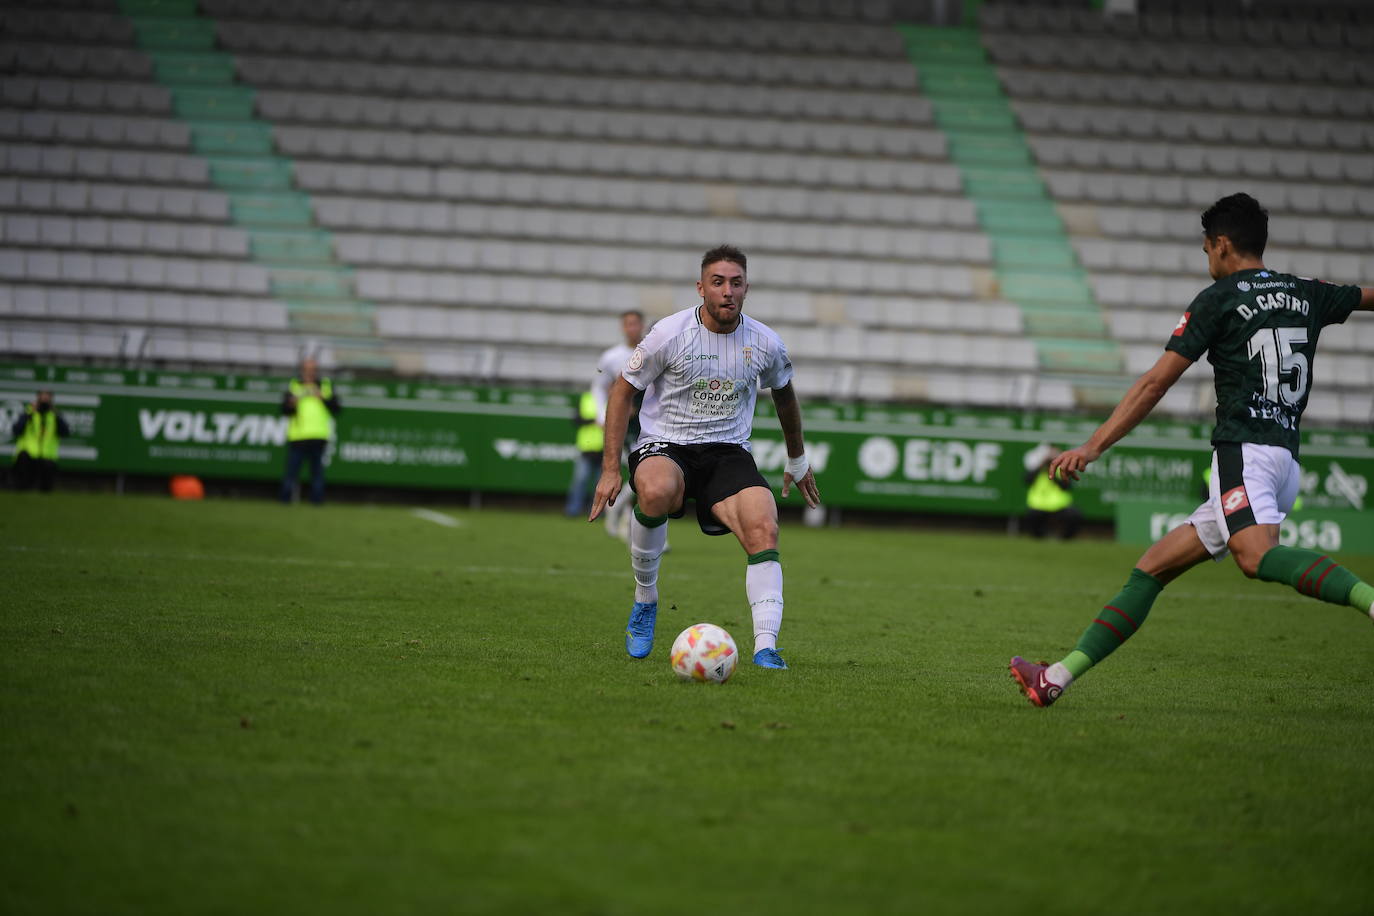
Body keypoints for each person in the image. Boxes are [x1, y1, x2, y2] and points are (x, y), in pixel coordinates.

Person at [1010, 193, 1374, 707]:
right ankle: (1055, 678)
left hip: (1244, 454)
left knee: (1255, 558)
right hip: (1285, 461)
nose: (1207, 260)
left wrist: (1093, 446)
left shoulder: (1218, 299)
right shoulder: (1306, 291)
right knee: (1152, 568)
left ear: (1222, 244)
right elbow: (1365, 297)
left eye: (1206, 250)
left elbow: (1154, 384)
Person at [588, 245, 822, 669]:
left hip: (727, 451)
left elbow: (784, 393)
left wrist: (797, 459)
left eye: (736, 283)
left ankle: (766, 646)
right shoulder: (668, 333)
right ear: (701, 288)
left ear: (746, 288)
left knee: (764, 524)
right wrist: (609, 469)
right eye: (718, 282)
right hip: (666, 443)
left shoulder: (765, 342)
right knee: (655, 490)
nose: (727, 291)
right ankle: (645, 599)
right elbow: (622, 390)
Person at [594, 310, 647, 540]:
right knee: (641, 473)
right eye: (628, 324)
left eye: (636, 323)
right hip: (626, 426)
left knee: (645, 474)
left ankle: (622, 515)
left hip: (650, 423)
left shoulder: (651, 350)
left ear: (642, 325)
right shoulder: (611, 357)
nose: (632, 328)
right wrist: (603, 416)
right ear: (623, 327)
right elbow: (599, 387)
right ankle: (624, 517)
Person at [278, 358, 340, 506]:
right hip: (298, 436)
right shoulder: (294, 385)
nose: (310, 372)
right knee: (291, 472)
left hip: (318, 436)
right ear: (302, 370)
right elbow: (284, 409)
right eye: (307, 369)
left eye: (313, 369)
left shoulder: (324, 385)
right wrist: (291, 403)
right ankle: (284, 500)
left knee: (317, 472)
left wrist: (322, 398)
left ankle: (317, 502)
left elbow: (337, 408)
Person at [10, 389, 69, 491]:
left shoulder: (54, 415)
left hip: (47, 456)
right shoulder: (28, 413)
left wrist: (57, 416)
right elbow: (16, 430)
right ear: (37, 399)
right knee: (23, 465)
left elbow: (65, 432)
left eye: (47, 398)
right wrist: (29, 414)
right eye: (42, 398)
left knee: (46, 482)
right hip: (28, 454)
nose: (44, 401)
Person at [1022, 444, 1081, 539]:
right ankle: (1038, 536)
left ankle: (1066, 538)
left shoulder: (1061, 469)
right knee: (1032, 516)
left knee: (1073, 515)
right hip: (1039, 505)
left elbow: (1066, 486)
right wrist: (1042, 464)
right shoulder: (1038, 469)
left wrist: (1052, 472)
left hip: (1060, 505)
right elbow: (1027, 480)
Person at [564, 389, 604, 517]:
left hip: (605, 449)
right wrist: (593, 421)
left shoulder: (611, 398)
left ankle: (596, 512)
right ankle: (573, 510)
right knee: (581, 480)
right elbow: (576, 419)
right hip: (587, 448)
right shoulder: (586, 398)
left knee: (600, 483)